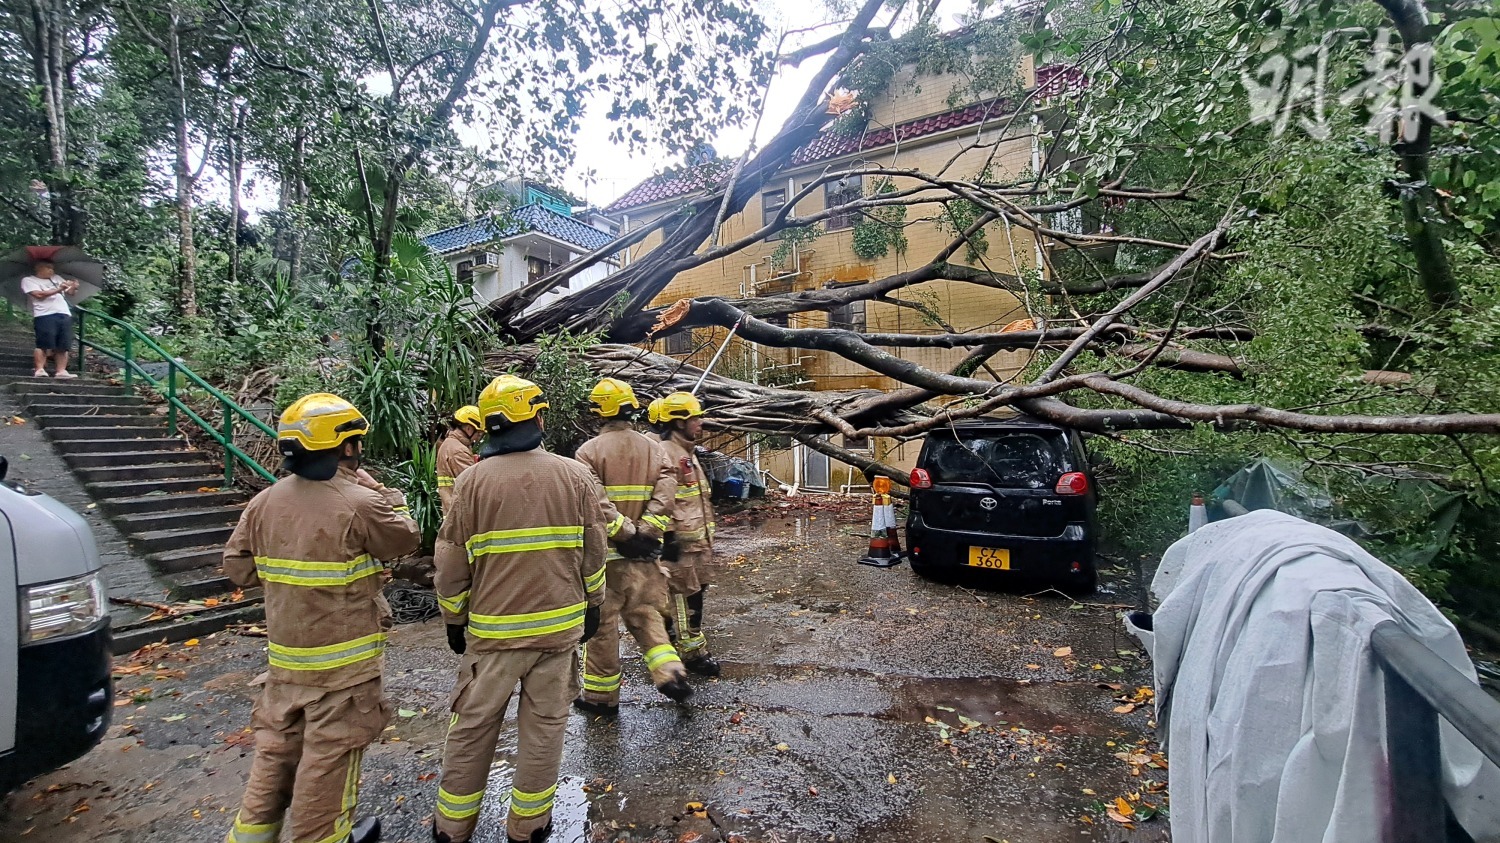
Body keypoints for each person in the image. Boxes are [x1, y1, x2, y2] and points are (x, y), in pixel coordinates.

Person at [222, 393, 422, 843]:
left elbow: (237, 569)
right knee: (328, 760)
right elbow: (404, 538)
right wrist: (385, 494)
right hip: (343, 670)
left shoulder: (263, 503)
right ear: (346, 447)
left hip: (285, 663)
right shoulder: (359, 502)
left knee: (275, 752)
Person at [432, 374, 610, 843]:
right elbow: (594, 550)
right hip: (558, 633)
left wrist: (453, 616)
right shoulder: (574, 476)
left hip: (493, 637)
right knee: (545, 729)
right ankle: (528, 827)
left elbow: (451, 560)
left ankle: (452, 829)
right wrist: (594, 604)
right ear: (537, 417)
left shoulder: (470, 482)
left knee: (472, 728)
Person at [573, 378, 689, 716]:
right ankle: (671, 673)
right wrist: (646, 533)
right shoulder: (656, 450)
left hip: (606, 562)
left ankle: (600, 698)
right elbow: (667, 496)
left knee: (602, 630)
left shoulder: (587, 452)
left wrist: (625, 535)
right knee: (648, 618)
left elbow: (596, 504)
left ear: (598, 412)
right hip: (644, 560)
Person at [651, 391, 721, 677]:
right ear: (678, 422)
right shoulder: (667, 453)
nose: (700, 423)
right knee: (683, 598)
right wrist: (668, 538)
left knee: (694, 596)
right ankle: (691, 654)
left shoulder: (686, 453)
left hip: (696, 545)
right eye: (695, 418)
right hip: (680, 545)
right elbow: (661, 498)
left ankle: (675, 642)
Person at [21, 260, 78, 379]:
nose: (51, 270)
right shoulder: (29, 280)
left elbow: (70, 293)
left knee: (63, 344)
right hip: (44, 314)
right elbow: (38, 295)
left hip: (63, 313)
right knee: (43, 343)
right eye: (47, 267)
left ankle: (61, 370)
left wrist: (73, 287)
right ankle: (39, 369)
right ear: (38, 268)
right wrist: (59, 289)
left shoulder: (56, 278)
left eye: (52, 268)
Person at [436, 405, 482, 514]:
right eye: (479, 433)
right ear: (469, 428)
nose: (478, 437)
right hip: (460, 513)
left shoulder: (450, 444)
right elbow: (474, 485)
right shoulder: (458, 451)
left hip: (453, 510)